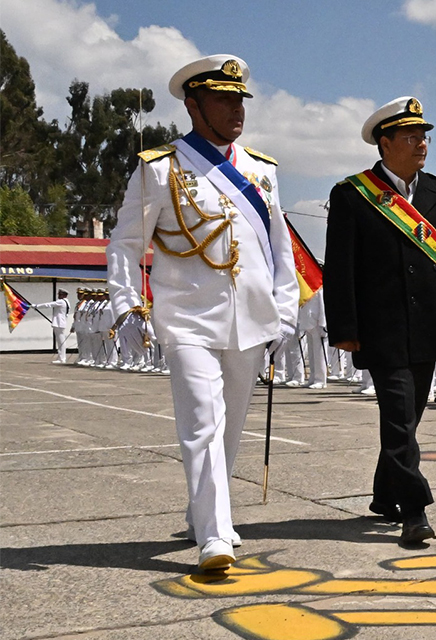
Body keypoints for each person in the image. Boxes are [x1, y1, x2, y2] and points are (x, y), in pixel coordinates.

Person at [106, 55, 299, 572]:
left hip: (252, 318)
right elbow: (125, 243)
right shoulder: (160, 168)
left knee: (231, 425)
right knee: (203, 423)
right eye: (222, 99)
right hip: (187, 315)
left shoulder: (262, 170)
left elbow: (282, 249)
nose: (236, 109)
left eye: (239, 99)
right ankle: (215, 535)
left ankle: (201, 512)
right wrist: (127, 305)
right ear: (193, 105)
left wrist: (285, 311)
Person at [325, 96, 436, 541]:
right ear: (385, 143)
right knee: (399, 417)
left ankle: (385, 494)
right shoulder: (352, 194)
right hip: (381, 329)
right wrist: (344, 327)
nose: (422, 143)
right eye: (411, 136)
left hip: (431, 326)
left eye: (424, 136)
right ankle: (414, 509)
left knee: (410, 417)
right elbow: (340, 266)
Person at [34, 289, 72, 363]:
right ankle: (61, 357)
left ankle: (62, 358)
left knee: (61, 341)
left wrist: (36, 306)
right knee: (60, 341)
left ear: (64, 295)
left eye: (60, 294)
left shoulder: (61, 301)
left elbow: (48, 305)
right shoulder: (66, 302)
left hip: (59, 323)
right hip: (61, 322)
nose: (59, 296)